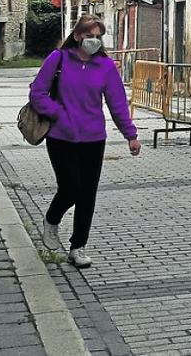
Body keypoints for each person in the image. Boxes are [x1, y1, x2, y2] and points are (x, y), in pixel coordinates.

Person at [29, 14, 140, 268]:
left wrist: (130, 134)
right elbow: (37, 92)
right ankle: (52, 219)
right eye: (89, 36)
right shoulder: (57, 59)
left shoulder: (106, 66)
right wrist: (57, 114)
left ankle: (78, 247)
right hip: (61, 136)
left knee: (87, 194)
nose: (94, 41)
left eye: (98, 36)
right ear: (78, 35)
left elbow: (117, 103)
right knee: (70, 188)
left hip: (93, 138)